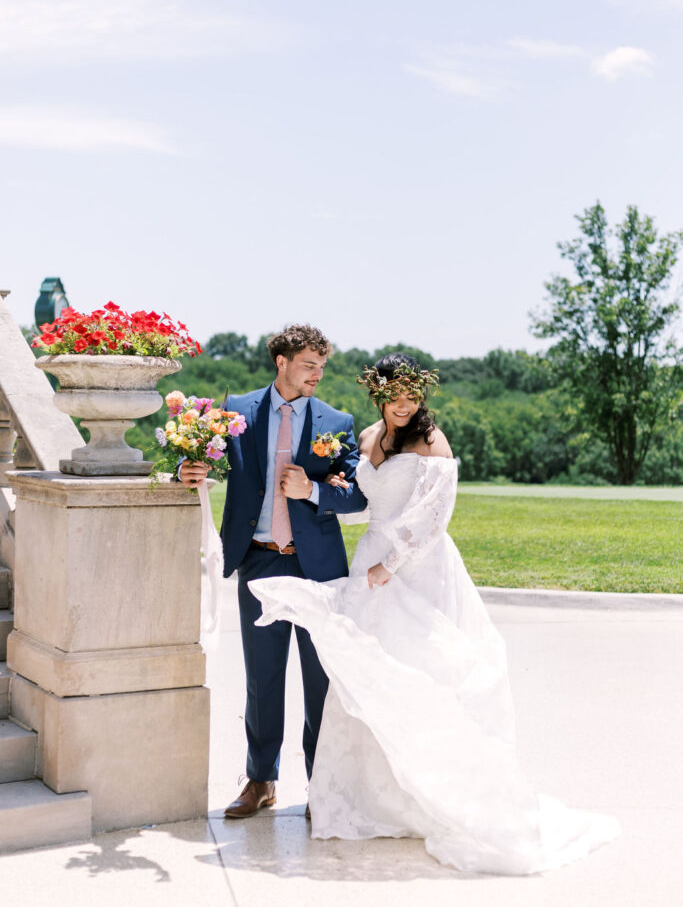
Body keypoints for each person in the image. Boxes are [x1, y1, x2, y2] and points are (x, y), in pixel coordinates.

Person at [249, 353, 621, 874]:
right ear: (378, 395)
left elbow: (432, 516)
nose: (405, 406)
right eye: (395, 397)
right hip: (369, 561)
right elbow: (360, 499)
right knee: (366, 678)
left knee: (419, 672)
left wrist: (390, 565)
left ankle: (433, 796)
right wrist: (319, 499)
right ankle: (370, 798)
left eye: (412, 397)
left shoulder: (432, 441)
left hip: (414, 569)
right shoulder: (369, 437)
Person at [180, 324, 367, 818]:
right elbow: (208, 461)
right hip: (258, 558)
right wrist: (191, 470)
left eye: (322, 367)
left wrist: (314, 491)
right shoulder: (237, 409)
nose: (317, 375)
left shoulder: (337, 420)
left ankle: (320, 786)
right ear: (281, 362)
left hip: (318, 569)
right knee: (262, 679)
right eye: (309, 365)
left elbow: (356, 494)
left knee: (319, 681)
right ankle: (261, 781)